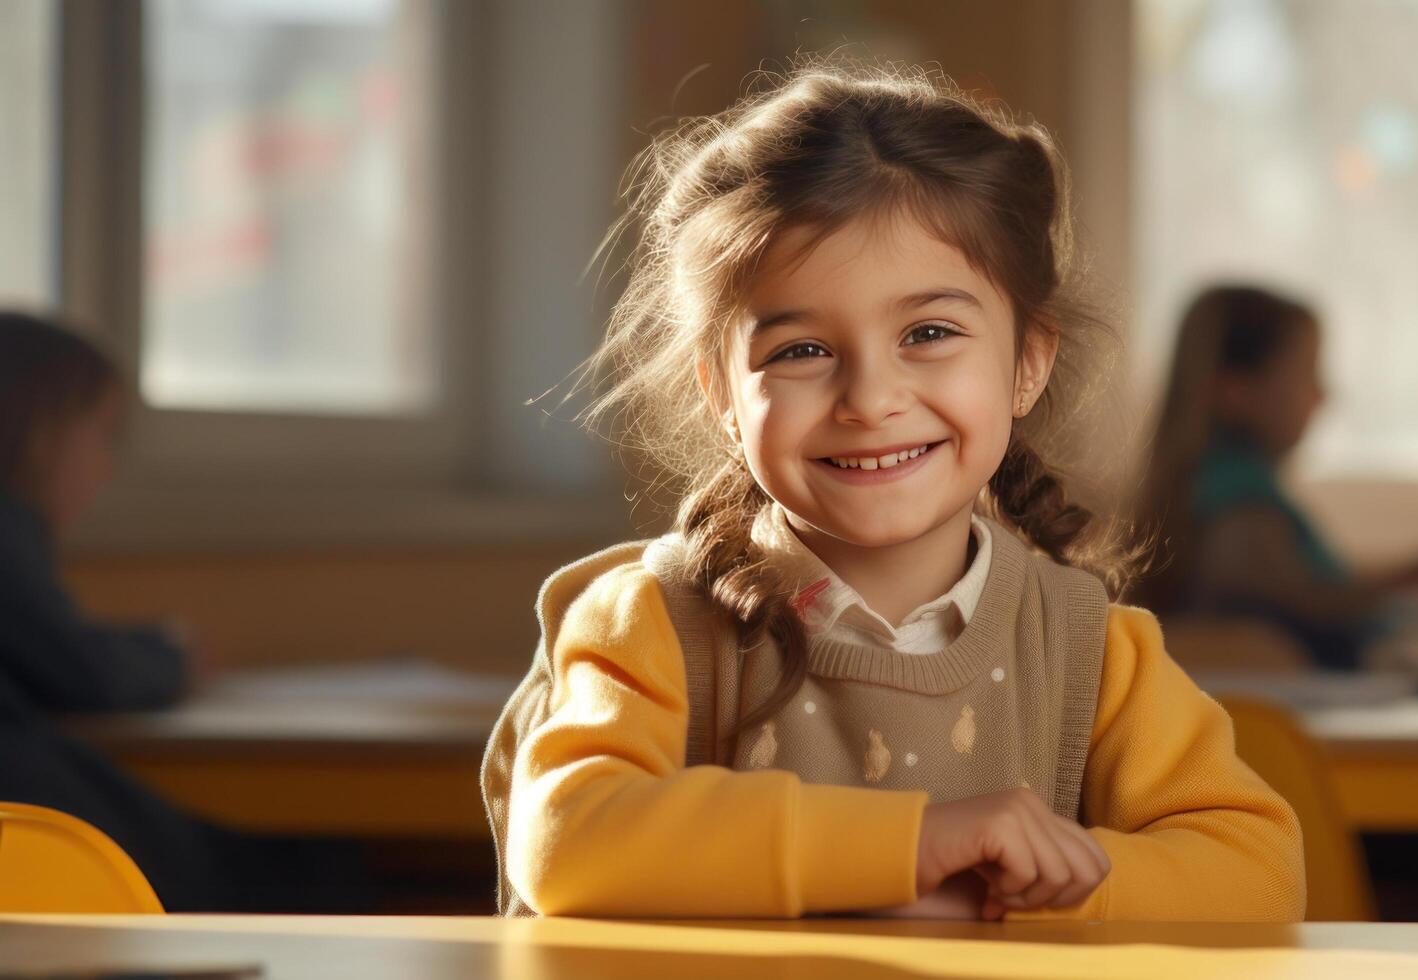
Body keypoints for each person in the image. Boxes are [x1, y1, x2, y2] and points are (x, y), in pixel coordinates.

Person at [482, 63, 1305, 922]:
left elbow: (1258, 872)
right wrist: (912, 849)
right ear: (722, 394)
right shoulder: (656, 626)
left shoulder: (1091, 655)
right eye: (800, 350)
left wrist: (1018, 894)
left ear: (1026, 362)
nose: (871, 400)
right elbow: (567, 838)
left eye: (928, 333)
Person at [0, 311, 369, 912]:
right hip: (35, 824)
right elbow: (83, 668)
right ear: (40, 433)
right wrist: (172, 655)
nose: (108, 467)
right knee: (302, 872)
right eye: (103, 436)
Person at [1135, 285, 1418, 670]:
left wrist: (1412, 576)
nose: (1323, 395)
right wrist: (1408, 581)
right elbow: (1305, 610)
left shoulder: (1216, 486)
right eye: (1306, 373)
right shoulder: (1239, 508)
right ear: (1235, 390)